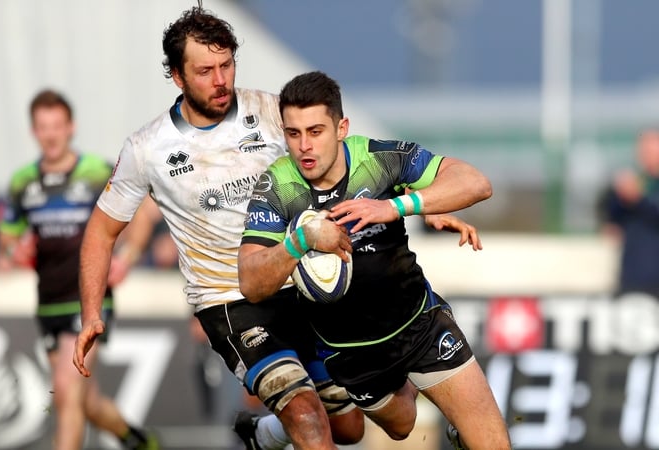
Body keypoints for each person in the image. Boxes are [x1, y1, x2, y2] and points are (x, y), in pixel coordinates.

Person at [72, 8, 480, 450]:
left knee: (359, 427)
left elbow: (337, 162)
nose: (220, 79)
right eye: (205, 70)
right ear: (177, 77)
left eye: (227, 65)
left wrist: (419, 206)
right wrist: (91, 312)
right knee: (308, 420)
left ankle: (263, 434)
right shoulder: (146, 149)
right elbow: (100, 231)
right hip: (233, 302)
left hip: (307, 285)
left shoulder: (269, 111)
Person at [238, 71, 510, 450]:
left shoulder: (379, 159)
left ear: (341, 128)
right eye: (293, 133)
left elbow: (476, 182)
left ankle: (459, 421)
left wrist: (398, 205)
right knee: (400, 426)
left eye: (315, 131)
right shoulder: (277, 186)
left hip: (419, 324)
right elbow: (251, 283)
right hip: (349, 351)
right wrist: (302, 240)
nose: (304, 146)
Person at [0, 89, 157, 450]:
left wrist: (126, 258)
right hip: (48, 304)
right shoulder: (23, 181)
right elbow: (6, 237)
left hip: (88, 302)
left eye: (57, 126)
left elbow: (144, 212)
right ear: (33, 131)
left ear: (71, 127)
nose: (50, 134)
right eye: (42, 127)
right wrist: (13, 249)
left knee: (66, 395)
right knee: (85, 401)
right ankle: (138, 441)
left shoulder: (97, 171)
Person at [601, 129, 659, 298]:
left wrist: (638, 199)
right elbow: (612, 218)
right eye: (643, 149)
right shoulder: (636, 181)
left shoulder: (640, 191)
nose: (646, 154)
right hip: (634, 276)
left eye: (651, 148)